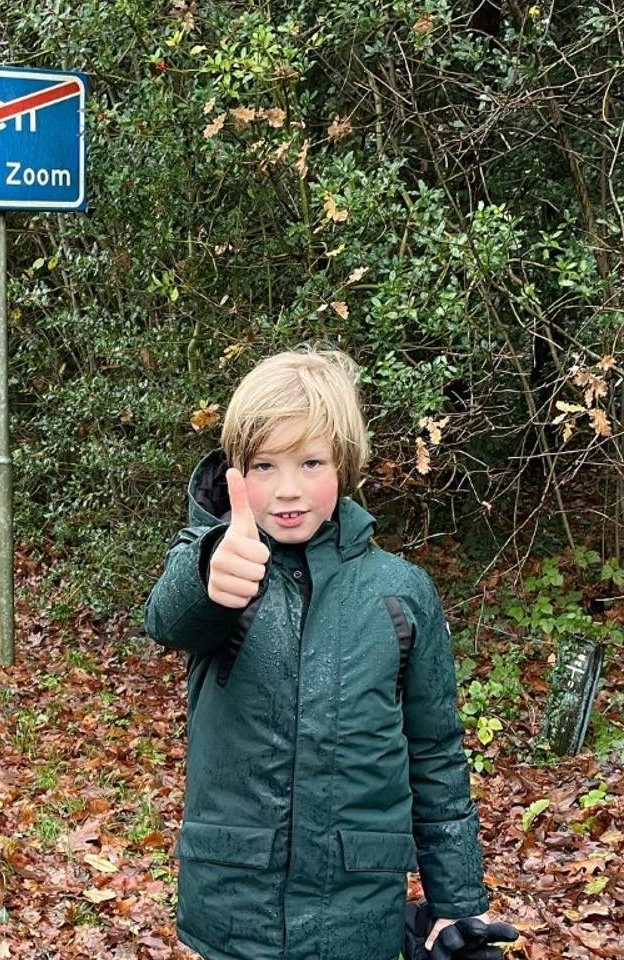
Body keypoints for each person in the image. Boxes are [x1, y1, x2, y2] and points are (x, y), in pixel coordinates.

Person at [143, 346, 517, 960]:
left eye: (310, 461)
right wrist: (212, 570)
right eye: (264, 466)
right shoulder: (221, 564)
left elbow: (435, 753)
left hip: (358, 914)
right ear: (235, 473)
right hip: (236, 914)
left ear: (345, 464)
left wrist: (457, 901)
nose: (288, 490)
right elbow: (168, 619)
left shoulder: (401, 591)